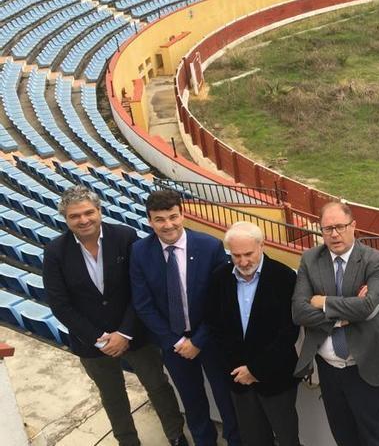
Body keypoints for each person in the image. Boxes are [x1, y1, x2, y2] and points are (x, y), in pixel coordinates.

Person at [43, 186, 187, 446]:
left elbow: (139, 289)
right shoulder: (55, 252)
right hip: (91, 341)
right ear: (65, 218)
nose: (84, 220)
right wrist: (99, 339)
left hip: (135, 332)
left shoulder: (124, 236)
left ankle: (176, 434)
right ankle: (127, 440)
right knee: (111, 395)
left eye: (89, 212)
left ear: (99, 211)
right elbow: (60, 304)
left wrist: (124, 332)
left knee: (157, 385)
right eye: (75, 216)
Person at [130, 189, 241, 446]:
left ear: (182, 215)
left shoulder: (210, 246)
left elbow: (222, 300)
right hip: (173, 345)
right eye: (160, 219)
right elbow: (143, 304)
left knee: (226, 398)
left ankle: (236, 441)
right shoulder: (140, 252)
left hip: (211, 339)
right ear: (149, 220)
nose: (168, 224)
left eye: (173, 216)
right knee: (192, 401)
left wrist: (199, 340)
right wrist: (177, 342)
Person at [292, 201, 379, 446]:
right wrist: (345, 314)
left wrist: (323, 302)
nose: (334, 234)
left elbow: (368, 306)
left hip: (365, 363)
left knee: (376, 437)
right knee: (343, 435)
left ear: (353, 226)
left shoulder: (377, 260)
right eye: (327, 228)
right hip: (329, 368)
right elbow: (299, 312)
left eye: (340, 227)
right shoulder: (310, 259)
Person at [205, 221, 301, 446]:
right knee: (253, 438)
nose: (243, 261)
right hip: (238, 377)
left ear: (262, 246)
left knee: (287, 437)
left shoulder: (284, 277)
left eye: (248, 254)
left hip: (276, 378)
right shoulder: (220, 277)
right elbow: (215, 327)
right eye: (236, 255)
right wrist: (241, 369)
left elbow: (289, 332)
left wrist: (256, 370)